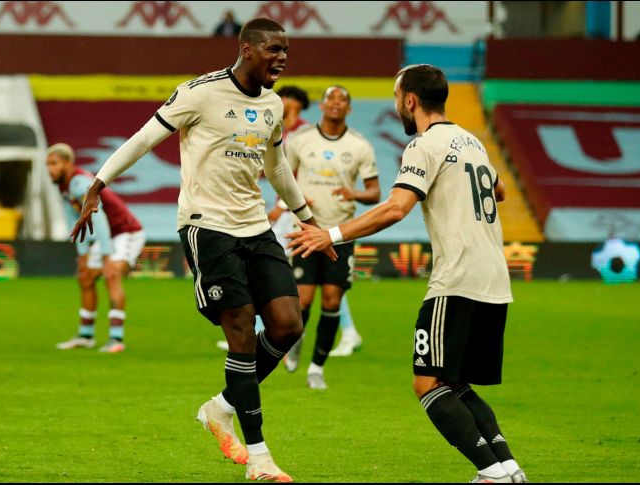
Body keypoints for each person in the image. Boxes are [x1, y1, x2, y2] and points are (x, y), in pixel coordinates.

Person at [70, 18, 335, 482]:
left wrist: (310, 221)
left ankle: (221, 407)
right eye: (274, 49)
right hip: (206, 227)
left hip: (255, 227)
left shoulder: (273, 105)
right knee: (239, 330)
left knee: (289, 325)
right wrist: (98, 183)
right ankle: (259, 457)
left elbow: (276, 170)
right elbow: (143, 139)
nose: (282, 58)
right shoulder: (199, 93)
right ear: (247, 49)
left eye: (286, 50)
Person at [287, 64, 527, 483]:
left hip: (456, 279)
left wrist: (332, 235)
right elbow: (500, 190)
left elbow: (396, 208)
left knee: (427, 382)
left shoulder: (425, 144)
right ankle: (508, 468)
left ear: (410, 100)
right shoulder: (471, 140)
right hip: (494, 279)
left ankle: (490, 473)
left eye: (398, 97)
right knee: (455, 382)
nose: (398, 105)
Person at [284, 85, 380, 389]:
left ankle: (316, 368)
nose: (336, 103)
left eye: (343, 100)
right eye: (331, 99)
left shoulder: (360, 145)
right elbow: (282, 177)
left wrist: (355, 193)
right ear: (322, 106)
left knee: (331, 298)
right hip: (307, 231)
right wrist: (296, 200)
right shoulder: (300, 141)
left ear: (349, 109)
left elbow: (375, 192)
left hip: (340, 233)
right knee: (303, 299)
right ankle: (295, 341)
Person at [215, 84, 311, 352]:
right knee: (309, 275)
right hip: (281, 203)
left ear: (298, 104)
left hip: (296, 205)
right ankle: (258, 328)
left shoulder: (303, 132)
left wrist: (282, 205)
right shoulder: (272, 123)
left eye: (289, 100)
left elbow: (298, 172)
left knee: (293, 269)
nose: (285, 104)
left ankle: (265, 328)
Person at [47, 143, 145, 354]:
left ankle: (116, 339)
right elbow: (74, 219)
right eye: (48, 164)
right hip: (109, 235)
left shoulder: (80, 182)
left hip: (126, 232)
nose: (50, 169)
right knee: (85, 277)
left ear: (67, 163)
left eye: (54, 163)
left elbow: (99, 219)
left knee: (112, 274)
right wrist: (82, 255)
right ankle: (85, 335)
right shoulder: (64, 186)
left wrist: (106, 257)